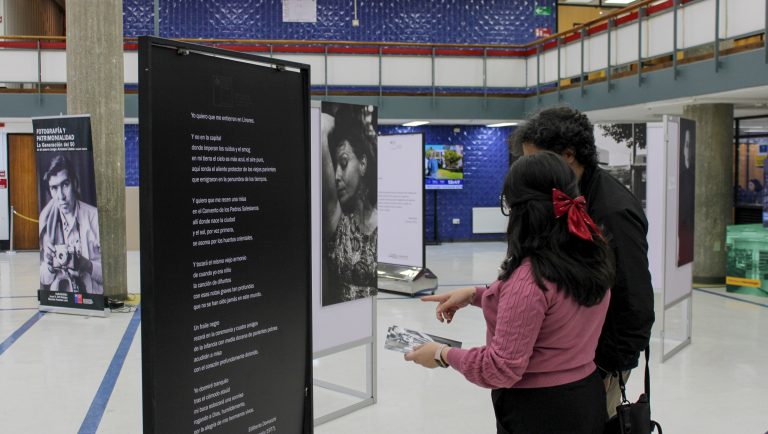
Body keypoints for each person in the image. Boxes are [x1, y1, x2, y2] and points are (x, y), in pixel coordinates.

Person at [405, 151, 614, 433]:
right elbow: (554, 311)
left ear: (521, 211)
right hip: (585, 396)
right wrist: (476, 294)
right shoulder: (591, 256)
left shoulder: (531, 278)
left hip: (538, 412)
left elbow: (499, 368)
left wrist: (442, 354)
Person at [511, 106, 655, 418]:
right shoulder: (563, 197)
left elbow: (636, 306)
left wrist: (598, 369)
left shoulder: (613, 213)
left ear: (568, 156)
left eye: (536, 161)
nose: (530, 170)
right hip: (568, 363)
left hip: (594, 368)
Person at [321, 103, 378, 305]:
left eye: (343, 164)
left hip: (372, 321)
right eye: (334, 166)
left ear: (362, 164)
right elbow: (321, 129)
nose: (336, 175)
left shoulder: (385, 223)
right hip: (339, 324)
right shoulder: (338, 222)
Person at [39, 155, 103, 294]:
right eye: (54, 188)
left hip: (93, 299)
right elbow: (44, 279)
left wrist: (87, 265)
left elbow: (112, 274)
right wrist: (49, 264)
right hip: (63, 299)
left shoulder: (95, 218)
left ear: (75, 183)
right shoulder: (47, 222)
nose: (60, 196)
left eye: (65, 184)